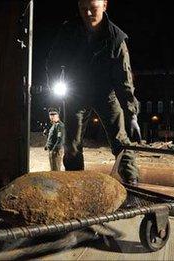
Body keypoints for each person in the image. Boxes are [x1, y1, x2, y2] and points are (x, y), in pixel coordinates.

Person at [45, 0, 141, 183]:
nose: (88, 13)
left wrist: (132, 114)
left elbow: (125, 81)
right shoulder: (68, 31)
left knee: (121, 140)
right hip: (77, 92)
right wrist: (55, 100)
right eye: (83, 9)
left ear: (104, 5)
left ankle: (132, 182)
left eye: (93, 8)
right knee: (72, 145)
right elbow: (53, 62)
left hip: (106, 94)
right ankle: (76, 184)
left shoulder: (116, 38)